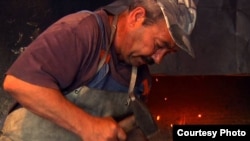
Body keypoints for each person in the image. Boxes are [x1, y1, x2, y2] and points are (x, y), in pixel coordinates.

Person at [1, 0, 197, 140]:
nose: (158, 59)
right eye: (158, 45)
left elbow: (128, 129)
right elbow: (18, 83)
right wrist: (87, 125)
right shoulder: (82, 33)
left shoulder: (140, 79)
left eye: (168, 53)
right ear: (137, 17)